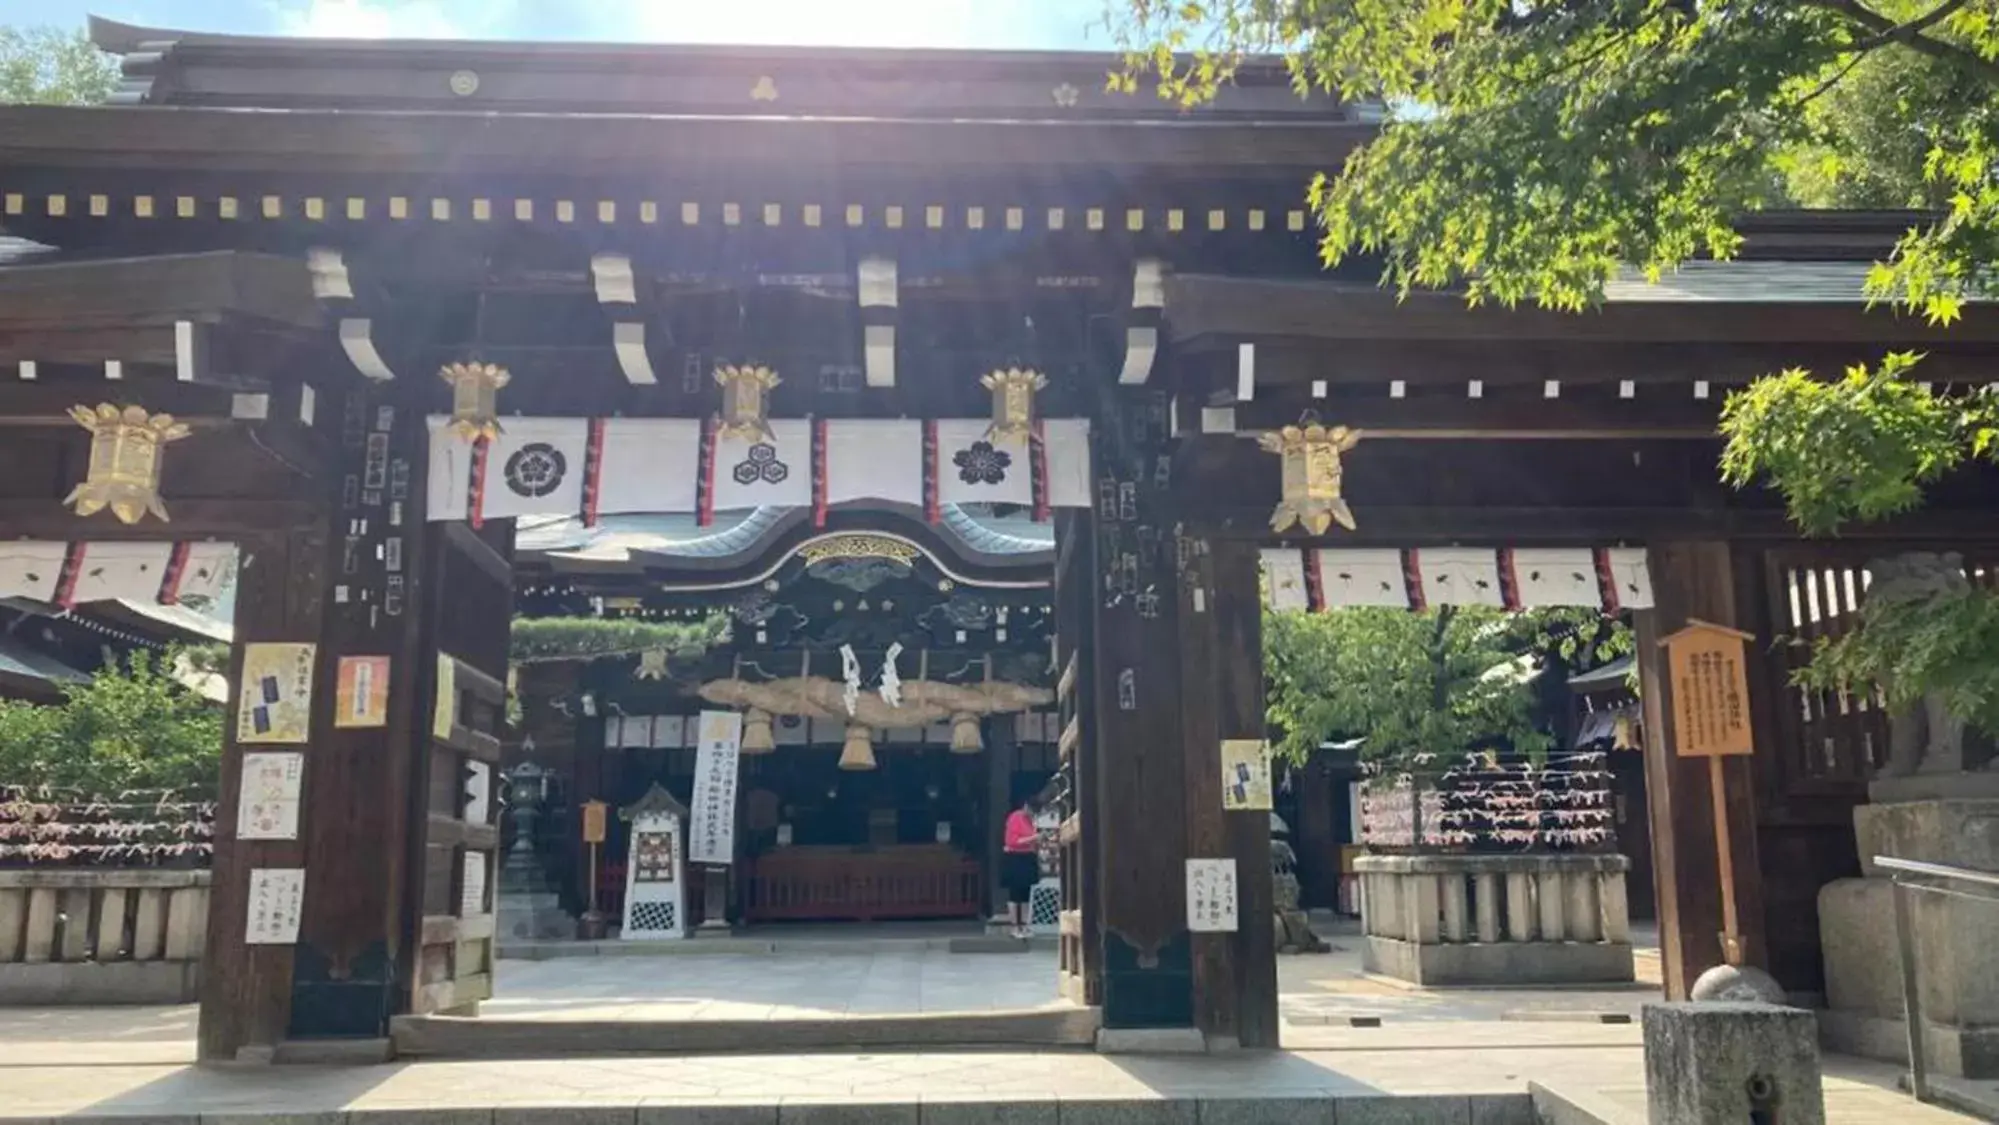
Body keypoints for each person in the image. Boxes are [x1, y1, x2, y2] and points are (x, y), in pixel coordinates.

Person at [1001, 798, 1042, 940]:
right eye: (1031, 810)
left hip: (1027, 857)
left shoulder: (1030, 821)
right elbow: (1012, 841)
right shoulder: (1015, 817)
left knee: (1026, 893)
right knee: (1015, 893)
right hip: (1015, 857)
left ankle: (1024, 926)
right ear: (1026, 806)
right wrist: (1033, 838)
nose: (1032, 813)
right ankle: (1014, 926)